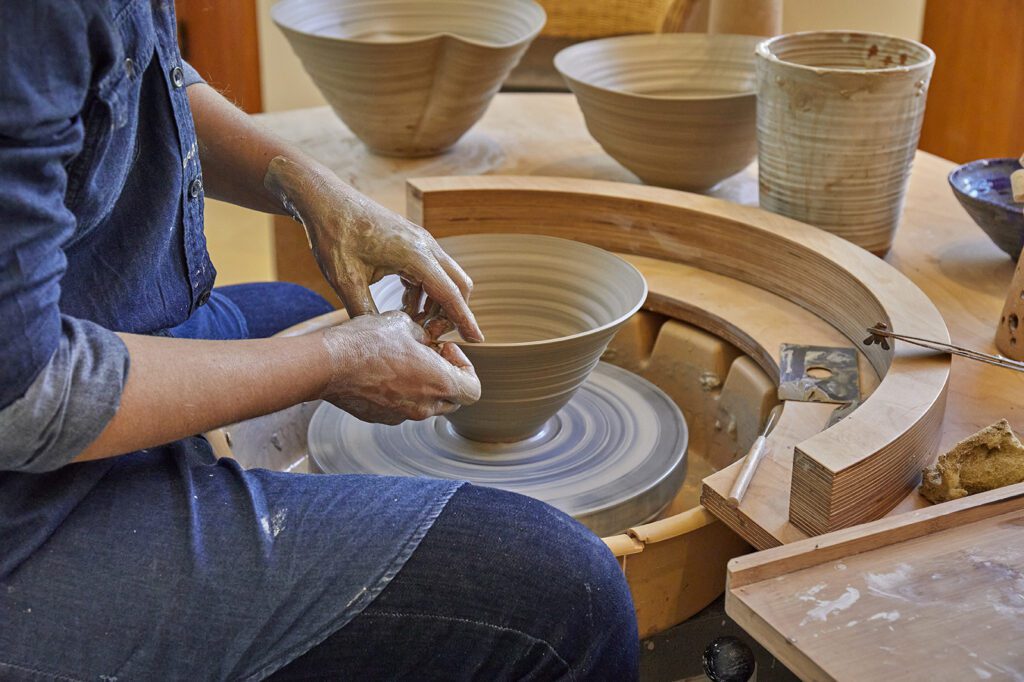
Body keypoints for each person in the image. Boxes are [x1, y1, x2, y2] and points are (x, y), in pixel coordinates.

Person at [0, 1, 639, 680]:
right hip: (24, 513)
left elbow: (132, 76)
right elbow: (27, 395)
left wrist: (310, 186)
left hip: (71, 331)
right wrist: (337, 362)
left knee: (296, 310)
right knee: (573, 592)